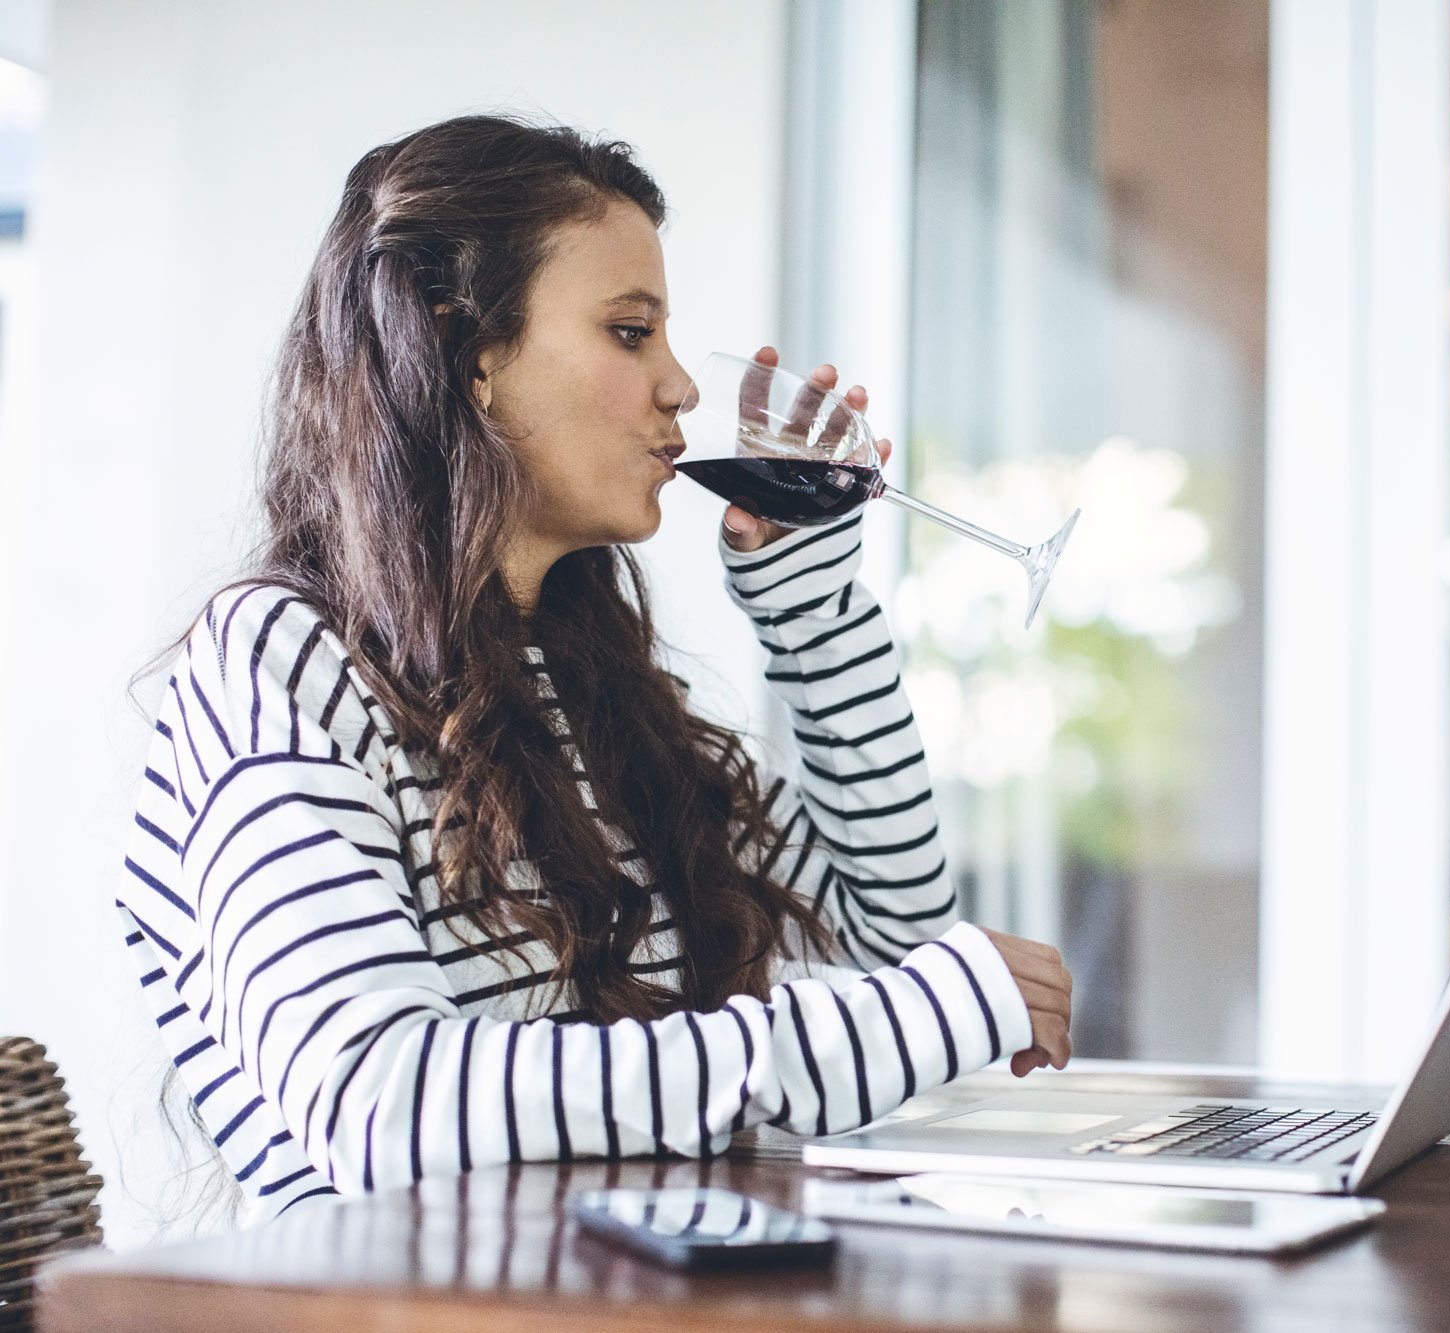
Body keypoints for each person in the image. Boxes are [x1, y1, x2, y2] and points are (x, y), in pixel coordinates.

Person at [116, 114, 1073, 1224]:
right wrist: (890, 1024)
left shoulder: (591, 688)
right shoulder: (281, 661)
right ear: (469, 356)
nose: (679, 389)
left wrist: (811, 613)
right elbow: (380, 1105)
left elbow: (895, 939)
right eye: (630, 333)